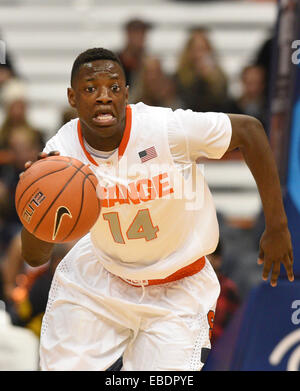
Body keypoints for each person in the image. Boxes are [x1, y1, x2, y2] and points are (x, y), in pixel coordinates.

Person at [20, 48, 294, 371]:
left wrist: (277, 226)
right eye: (91, 88)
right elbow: (35, 256)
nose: (104, 96)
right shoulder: (60, 154)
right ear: (72, 97)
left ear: (126, 93)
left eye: (114, 87)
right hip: (103, 277)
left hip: (177, 286)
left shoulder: (166, 129)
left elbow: (250, 131)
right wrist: (35, 208)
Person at [174, 27, 229, 112]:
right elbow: (186, 104)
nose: (201, 54)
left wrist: (211, 81)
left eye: (204, 49)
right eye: (197, 49)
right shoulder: (179, 77)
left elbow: (222, 104)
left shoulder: (220, 77)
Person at [117, 18, 152, 87]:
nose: (141, 37)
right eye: (137, 32)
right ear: (128, 34)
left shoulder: (148, 63)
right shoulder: (115, 61)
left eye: (143, 33)